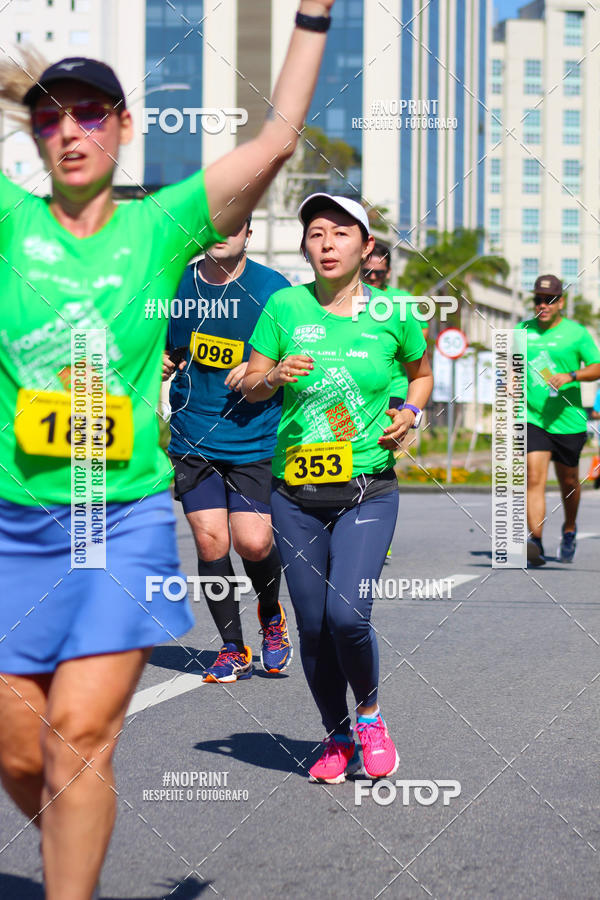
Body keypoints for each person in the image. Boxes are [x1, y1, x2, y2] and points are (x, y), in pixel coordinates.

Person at [0, 4, 336, 897]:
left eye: (91, 113)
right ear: (34, 134)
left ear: (124, 126)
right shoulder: (8, 222)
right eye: (50, 115)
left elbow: (274, 138)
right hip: (14, 523)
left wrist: (312, 18)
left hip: (124, 516)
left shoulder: (159, 229)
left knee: (79, 730)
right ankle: (67, 833)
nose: (69, 130)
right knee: (16, 743)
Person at [243, 193, 433, 784]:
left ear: (366, 247)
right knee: (314, 624)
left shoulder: (396, 312)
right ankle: (335, 733)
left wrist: (412, 413)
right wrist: (271, 375)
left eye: (341, 233)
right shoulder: (283, 306)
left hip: (367, 487)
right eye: (316, 233)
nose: (326, 244)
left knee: (348, 615)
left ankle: (370, 716)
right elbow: (248, 384)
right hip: (293, 494)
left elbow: (421, 375)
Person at [163, 217, 292, 681]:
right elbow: (165, 347)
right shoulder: (177, 285)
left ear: (249, 235)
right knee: (210, 540)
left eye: (234, 226)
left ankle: (272, 617)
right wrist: (160, 360)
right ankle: (232, 647)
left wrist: (265, 371)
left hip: (255, 436)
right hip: (193, 436)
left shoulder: (274, 289)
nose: (224, 233)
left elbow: (293, 357)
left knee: (254, 542)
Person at [518, 274, 600, 566]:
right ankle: (535, 542)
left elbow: (597, 366)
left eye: (549, 299)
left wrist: (572, 376)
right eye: (538, 299)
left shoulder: (576, 333)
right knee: (534, 477)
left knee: (568, 482)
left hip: (569, 419)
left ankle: (569, 527)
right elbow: (507, 368)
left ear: (560, 301)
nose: (543, 304)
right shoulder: (521, 330)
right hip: (533, 417)